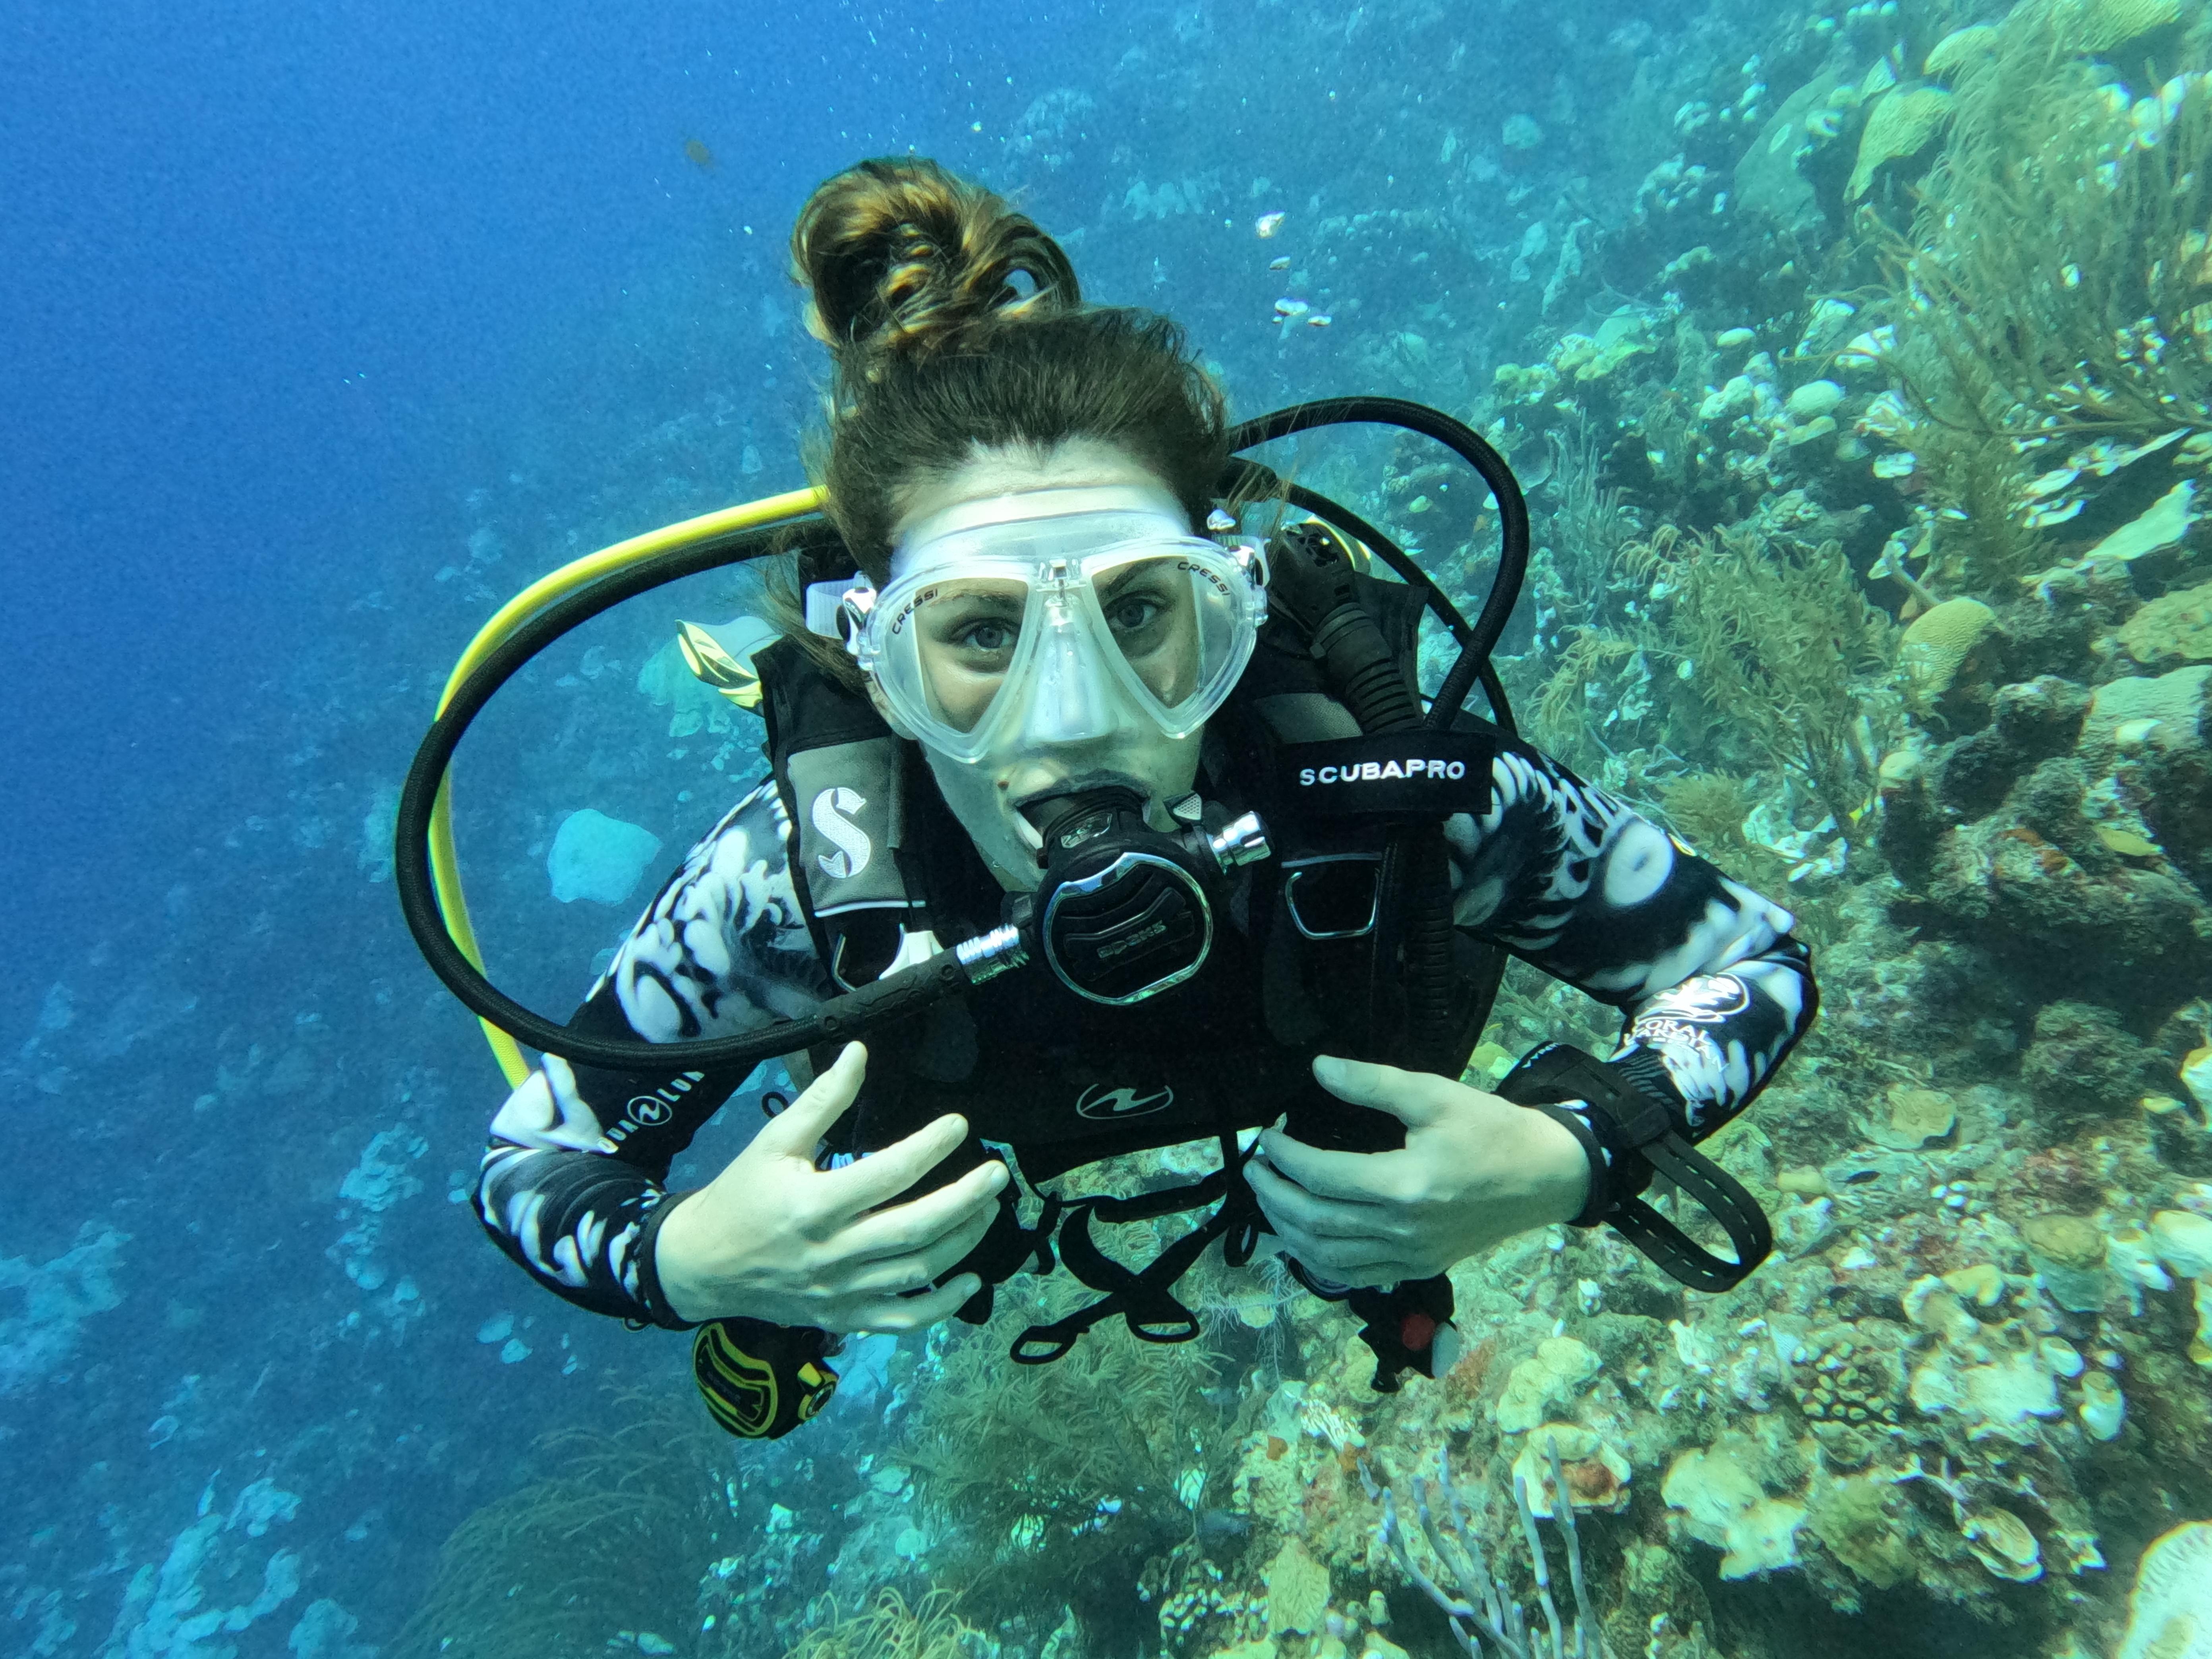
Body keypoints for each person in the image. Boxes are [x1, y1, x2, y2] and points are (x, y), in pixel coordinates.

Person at [473, 157, 1816, 1424]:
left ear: (1229, 609)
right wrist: (690, 1264)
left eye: (1140, 612)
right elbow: (533, 1162)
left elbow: (1753, 960)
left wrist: (1572, 1152)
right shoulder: (789, 882)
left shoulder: (1382, 788)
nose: (1076, 718)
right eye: (981, 634)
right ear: (878, 666)